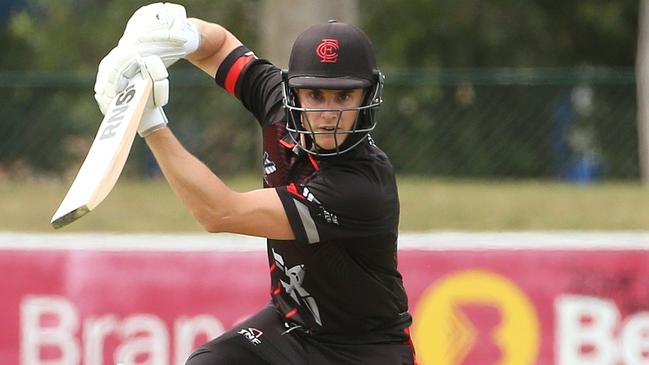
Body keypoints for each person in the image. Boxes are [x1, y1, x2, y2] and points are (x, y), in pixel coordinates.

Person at [94, 3, 416, 364]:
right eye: (315, 95)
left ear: (367, 96)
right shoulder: (277, 103)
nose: (328, 114)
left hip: (365, 351)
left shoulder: (361, 187)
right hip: (290, 327)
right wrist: (179, 33)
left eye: (344, 96)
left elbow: (219, 213)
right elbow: (218, 47)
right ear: (293, 93)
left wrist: (150, 122)